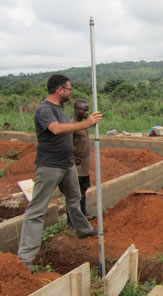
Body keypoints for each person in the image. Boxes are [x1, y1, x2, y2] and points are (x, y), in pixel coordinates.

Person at [18, 74, 103, 272]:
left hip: (67, 164)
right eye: (69, 89)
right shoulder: (45, 110)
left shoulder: (59, 109)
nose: (70, 92)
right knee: (37, 210)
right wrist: (87, 123)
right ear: (59, 90)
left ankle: (83, 230)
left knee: (73, 199)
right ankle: (25, 258)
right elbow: (56, 129)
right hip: (49, 166)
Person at [66, 99, 94, 227]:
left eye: (87, 110)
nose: (86, 112)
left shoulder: (83, 125)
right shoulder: (72, 126)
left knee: (82, 190)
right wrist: (73, 157)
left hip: (84, 166)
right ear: (76, 110)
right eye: (84, 110)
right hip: (76, 166)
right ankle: (71, 222)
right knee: (74, 194)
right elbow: (67, 144)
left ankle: (83, 214)